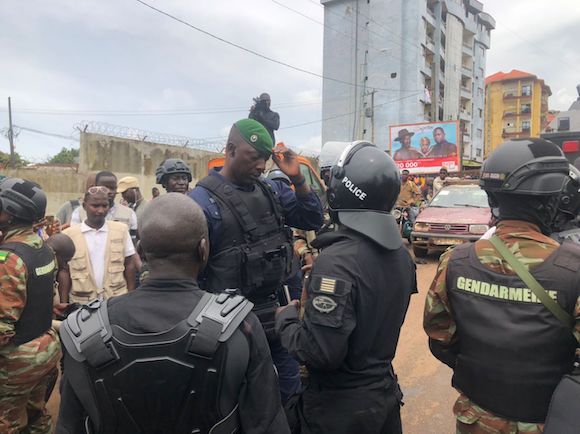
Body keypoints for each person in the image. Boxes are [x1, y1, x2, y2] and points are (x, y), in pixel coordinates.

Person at [56, 193, 290, 434]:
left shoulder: (86, 329)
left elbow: (68, 425)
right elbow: (267, 422)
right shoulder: (239, 325)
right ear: (203, 249)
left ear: (141, 251)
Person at [424, 138, 580, 434]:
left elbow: (439, 338)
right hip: (548, 421)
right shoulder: (573, 268)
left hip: (476, 420)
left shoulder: (456, 261)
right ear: (552, 199)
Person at [276, 141, 417, 434]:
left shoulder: (337, 263)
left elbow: (321, 354)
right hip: (382, 401)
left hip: (339, 411)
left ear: (344, 189)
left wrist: (287, 320)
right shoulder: (401, 254)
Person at [188, 118, 323, 404]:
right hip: (226, 327)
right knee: (231, 402)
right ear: (231, 149)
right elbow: (192, 277)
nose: (262, 166)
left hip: (274, 319)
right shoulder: (201, 203)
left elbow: (311, 219)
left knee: (287, 396)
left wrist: (298, 180)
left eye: (265, 158)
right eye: (254, 157)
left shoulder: (271, 191)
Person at [0, 178, 60, 434]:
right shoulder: (43, 248)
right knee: (36, 415)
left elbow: (2, 329)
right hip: (43, 350)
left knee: (7, 423)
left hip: (16, 362)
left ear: (10, 213)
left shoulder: (8, 258)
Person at [61, 187, 136, 304]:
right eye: (95, 206)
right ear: (85, 206)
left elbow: (129, 263)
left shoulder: (121, 230)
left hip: (115, 301)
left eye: (104, 206)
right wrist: (64, 302)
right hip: (81, 304)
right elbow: (64, 271)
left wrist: (131, 296)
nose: (101, 210)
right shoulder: (69, 235)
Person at [70, 171, 138, 238]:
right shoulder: (79, 213)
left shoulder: (129, 214)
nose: (109, 191)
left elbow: (133, 242)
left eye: (112, 188)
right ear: (95, 187)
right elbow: (74, 238)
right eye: (105, 188)